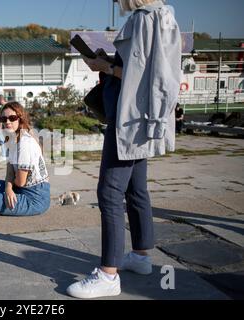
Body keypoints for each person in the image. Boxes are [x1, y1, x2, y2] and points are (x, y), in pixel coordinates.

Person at [66, 0, 182, 299]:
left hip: (128, 120)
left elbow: (140, 73)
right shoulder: (162, 16)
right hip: (139, 117)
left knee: (109, 192)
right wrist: (110, 63)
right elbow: (145, 68)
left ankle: (108, 275)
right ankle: (141, 256)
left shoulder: (144, 19)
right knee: (136, 188)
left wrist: (104, 66)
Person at [0, 102, 51, 216]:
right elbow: (10, 170)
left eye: (12, 118)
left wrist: (9, 187)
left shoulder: (25, 143)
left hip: (35, 197)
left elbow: (20, 181)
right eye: (4, 118)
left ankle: (5, 204)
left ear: (20, 119)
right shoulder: (12, 138)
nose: (7, 122)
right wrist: (9, 189)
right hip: (19, 188)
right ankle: (3, 202)